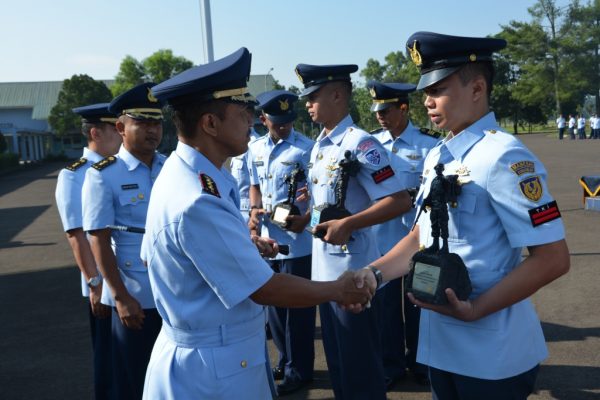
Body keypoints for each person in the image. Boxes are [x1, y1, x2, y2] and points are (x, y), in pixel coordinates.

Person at [140, 47, 373, 400]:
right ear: (210, 123)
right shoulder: (197, 197)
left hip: (217, 356)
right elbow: (264, 289)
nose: (253, 120)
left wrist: (242, 247)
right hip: (214, 370)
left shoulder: (189, 173)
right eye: (242, 112)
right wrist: (337, 290)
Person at [354, 31, 570, 400]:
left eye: (437, 89)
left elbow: (553, 258)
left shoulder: (504, 157)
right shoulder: (439, 155)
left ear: (477, 89)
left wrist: (477, 309)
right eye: (425, 92)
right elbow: (421, 236)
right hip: (441, 344)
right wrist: (373, 274)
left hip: (492, 350)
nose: (427, 101)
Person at [294, 63, 412, 399]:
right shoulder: (320, 145)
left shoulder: (360, 143)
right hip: (324, 274)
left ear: (336, 95)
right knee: (340, 368)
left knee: (361, 370)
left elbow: (399, 200)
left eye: (313, 96)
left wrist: (349, 223)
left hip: (353, 274)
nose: (307, 104)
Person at [82, 82, 166, 400]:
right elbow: (99, 239)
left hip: (172, 291)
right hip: (135, 295)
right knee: (135, 381)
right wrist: (119, 296)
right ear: (120, 126)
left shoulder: (170, 166)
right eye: (142, 122)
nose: (152, 130)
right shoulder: (104, 174)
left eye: (156, 122)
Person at [367, 80, 440, 388]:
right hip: (382, 239)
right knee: (384, 311)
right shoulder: (371, 145)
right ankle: (390, 365)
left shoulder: (429, 144)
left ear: (404, 108)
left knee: (420, 302)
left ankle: (422, 363)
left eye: (386, 110)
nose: (380, 116)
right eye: (377, 110)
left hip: (421, 240)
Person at [247, 89, 316, 395]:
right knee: (274, 310)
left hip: (298, 241)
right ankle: (285, 359)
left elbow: (320, 194)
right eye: (277, 122)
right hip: (267, 239)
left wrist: (309, 218)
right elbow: (254, 185)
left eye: (288, 120)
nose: (284, 126)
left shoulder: (306, 148)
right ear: (263, 120)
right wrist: (253, 209)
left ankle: (300, 369)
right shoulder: (255, 149)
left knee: (298, 312)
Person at [55, 103, 121, 399]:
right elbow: (76, 235)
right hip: (104, 285)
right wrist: (95, 284)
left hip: (131, 278)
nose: (120, 134)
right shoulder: (74, 175)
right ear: (95, 132)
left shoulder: (119, 167)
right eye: (114, 129)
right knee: (109, 362)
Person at [230, 101, 261, 223]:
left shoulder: (253, 144)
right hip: (237, 209)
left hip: (250, 211)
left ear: (250, 117)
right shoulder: (237, 140)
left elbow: (259, 185)